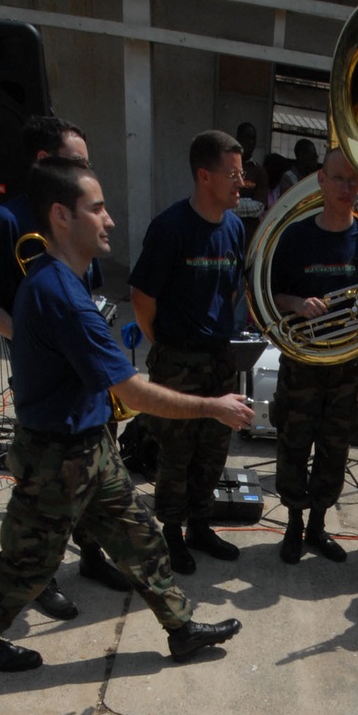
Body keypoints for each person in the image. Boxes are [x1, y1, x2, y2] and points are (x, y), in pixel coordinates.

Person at [0, 158, 252, 674]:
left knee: (140, 536)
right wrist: (213, 407)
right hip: (56, 460)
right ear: (61, 216)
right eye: (97, 208)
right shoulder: (61, 296)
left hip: (90, 447)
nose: (109, 219)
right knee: (28, 563)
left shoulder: (55, 278)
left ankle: (181, 630)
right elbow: (134, 393)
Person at [0, 114, 128, 619]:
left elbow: (87, 288)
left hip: (84, 374)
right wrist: (38, 342)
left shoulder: (78, 215)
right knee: (49, 491)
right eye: (76, 162)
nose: (86, 170)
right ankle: (41, 579)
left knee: (95, 475)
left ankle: (94, 557)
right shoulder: (9, 221)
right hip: (47, 381)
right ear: (44, 162)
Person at [129, 131, 247, 577]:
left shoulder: (234, 228)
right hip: (177, 359)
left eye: (242, 173)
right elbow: (143, 298)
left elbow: (232, 289)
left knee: (214, 449)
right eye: (233, 174)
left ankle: (201, 524)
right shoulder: (171, 227)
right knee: (175, 453)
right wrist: (162, 344)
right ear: (205, 175)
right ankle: (173, 534)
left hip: (220, 358)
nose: (242, 182)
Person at [269, 147, 358, 564]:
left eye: (353, 181)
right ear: (321, 179)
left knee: (335, 448)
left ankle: (317, 526)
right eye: (338, 179)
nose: (346, 188)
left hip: (348, 367)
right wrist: (297, 304)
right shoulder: (295, 237)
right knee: (294, 444)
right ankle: (294, 525)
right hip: (302, 362)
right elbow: (269, 296)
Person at [234, 122, 267, 247]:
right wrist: (247, 201)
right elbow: (219, 201)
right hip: (227, 230)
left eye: (254, 138)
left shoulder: (259, 171)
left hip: (249, 235)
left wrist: (230, 205)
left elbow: (258, 207)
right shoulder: (227, 168)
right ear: (238, 139)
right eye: (247, 137)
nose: (251, 142)